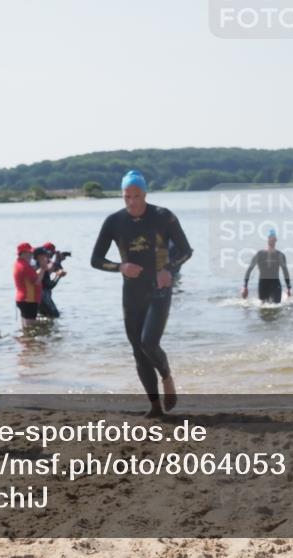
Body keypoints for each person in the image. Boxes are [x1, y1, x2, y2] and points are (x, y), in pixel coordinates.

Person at [91, 170, 192, 417]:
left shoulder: (163, 216)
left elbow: (186, 250)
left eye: (136, 196)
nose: (132, 202)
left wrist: (168, 269)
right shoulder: (114, 221)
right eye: (127, 197)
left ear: (145, 194)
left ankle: (166, 376)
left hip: (159, 289)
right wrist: (120, 267)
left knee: (149, 343)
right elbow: (96, 259)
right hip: (132, 292)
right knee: (138, 350)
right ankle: (155, 406)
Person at [240, 229, 291, 304]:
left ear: (276, 240)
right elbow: (249, 270)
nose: (272, 240)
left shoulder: (280, 255)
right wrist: (245, 286)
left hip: (275, 284)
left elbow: (285, 272)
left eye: (273, 238)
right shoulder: (259, 254)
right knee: (263, 306)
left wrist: (288, 288)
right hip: (263, 284)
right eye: (270, 238)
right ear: (267, 239)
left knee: (276, 306)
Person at [13, 242, 43, 328]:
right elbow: (36, 281)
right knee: (30, 327)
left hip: (22, 299)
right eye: (29, 253)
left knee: (26, 327)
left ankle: (24, 336)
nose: (31, 255)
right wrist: (43, 268)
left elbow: (31, 277)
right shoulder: (25, 266)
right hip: (29, 300)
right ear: (23, 253)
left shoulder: (18, 263)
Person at [37, 243, 65, 319]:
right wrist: (58, 276)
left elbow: (56, 268)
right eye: (52, 253)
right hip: (43, 298)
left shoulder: (40, 262)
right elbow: (49, 285)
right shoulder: (42, 265)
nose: (52, 255)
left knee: (43, 318)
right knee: (55, 316)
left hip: (36, 298)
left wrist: (59, 260)